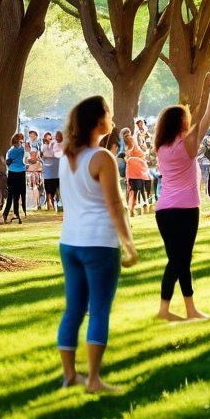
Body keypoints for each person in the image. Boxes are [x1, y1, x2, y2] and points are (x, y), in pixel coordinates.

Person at [56, 96, 139, 393]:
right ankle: (92, 380)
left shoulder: (66, 156)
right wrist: (129, 245)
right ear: (98, 120)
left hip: (70, 242)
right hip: (99, 243)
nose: (113, 117)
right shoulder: (101, 158)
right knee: (99, 310)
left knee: (73, 310)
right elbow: (116, 206)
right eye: (109, 113)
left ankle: (69, 375)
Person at [154, 71, 210, 322]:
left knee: (179, 259)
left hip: (163, 210)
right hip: (184, 209)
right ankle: (167, 310)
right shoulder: (187, 143)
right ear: (180, 123)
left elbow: (201, 119)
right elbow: (208, 118)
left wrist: (208, 88)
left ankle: (189, 309)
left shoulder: (162, 147)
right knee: (180, 259)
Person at [123, 128, 151, 216]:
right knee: (141, 189)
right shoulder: (132, 144)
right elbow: (141, 154)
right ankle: (144, 207)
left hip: (131, 170)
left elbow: (127, 157)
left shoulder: (126, 146)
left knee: (133, 190)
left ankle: (131, 209)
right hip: (138, 169)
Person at [1, 133, 28, 225]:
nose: (21, 141)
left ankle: (15, 215)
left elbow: (7, 162)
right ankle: (7, 215)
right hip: (15, 173)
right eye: (20, 140)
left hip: (18, 173)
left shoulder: (19, 150)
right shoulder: (14, 150)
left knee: (15, 195)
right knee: (12, 196)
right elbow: (8, 162)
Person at [41, 131, 63, 212]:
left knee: (56, 188)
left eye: (50, 138)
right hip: (48, 171)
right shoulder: (43, 147)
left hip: (56, 171)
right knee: (49, 189)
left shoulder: (56, 146)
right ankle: (50, 203)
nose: (50, 140)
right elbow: (47, 155)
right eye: (48, 138)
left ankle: (56, 204)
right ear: (44, 139)